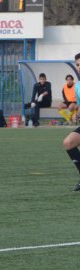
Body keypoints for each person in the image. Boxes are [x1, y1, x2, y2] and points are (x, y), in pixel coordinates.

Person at [64, 53, 80, 191]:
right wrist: (77, 114)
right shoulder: (78, 86)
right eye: (78, 65)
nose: (79, 67)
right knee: (69, 143)